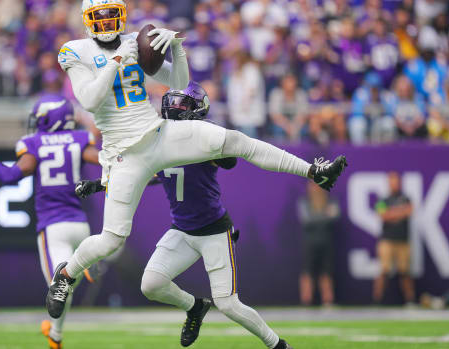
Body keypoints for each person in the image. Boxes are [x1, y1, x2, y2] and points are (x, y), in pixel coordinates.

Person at [47, 0, 348, 327]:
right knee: (112, 238)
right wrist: (116, 62)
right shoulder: (75, 51)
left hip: (158, 134)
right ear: (88, 20)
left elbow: (178, 82)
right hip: (125, 153)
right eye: (99, 17)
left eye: (111, 16)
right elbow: (88, 99)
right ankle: (66, 274)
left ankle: (313, 170)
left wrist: (176, 49)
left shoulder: (135, 41)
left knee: (235, 140)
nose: (106, 23)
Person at [77, 82, 294, 349]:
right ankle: (195, 307)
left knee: (228, 304)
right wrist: (101, 183)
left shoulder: (203, 139)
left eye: (182, 105)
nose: (174, 109)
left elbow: (230, 159)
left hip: (213, 230)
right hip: (182, 230)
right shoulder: (158, 141)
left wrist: (216, 144)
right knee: (151, 284)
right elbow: (141, 174)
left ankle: (277, 345)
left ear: (196, 110)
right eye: (173, 103)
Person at [0, 94, 99, 349]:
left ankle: (56, 335)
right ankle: (56, 330)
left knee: (59, 289)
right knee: (66, 285)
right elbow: (104, 160)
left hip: (53, 226)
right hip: (81, 223)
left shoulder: (35, 144)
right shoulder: (79, 139)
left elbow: (8, 177)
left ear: (50, 120)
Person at [372, 171, 415, 306]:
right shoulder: (383, 200)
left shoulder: (406, 198)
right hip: (387, 240)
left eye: (396, 181)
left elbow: (410, 211)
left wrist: (392, 213)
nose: (394, 184)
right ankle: (377, 300)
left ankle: (410, 300)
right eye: (392, 181)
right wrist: (399, 212)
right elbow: (382, 215)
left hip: (403, 240)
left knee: (405, 272)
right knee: (384, 271)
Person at [298, 181, 340, 307]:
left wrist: (318, 216)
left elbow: (335, 216)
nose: (315, 188)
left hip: (326, 242)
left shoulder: (331, 201)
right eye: (313, 186)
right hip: (310, 243)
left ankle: (327, 301)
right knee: (307, 271)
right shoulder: (304, 202)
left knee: (326, 272)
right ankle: (306, 301)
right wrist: (324, 215)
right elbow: (306, 220)